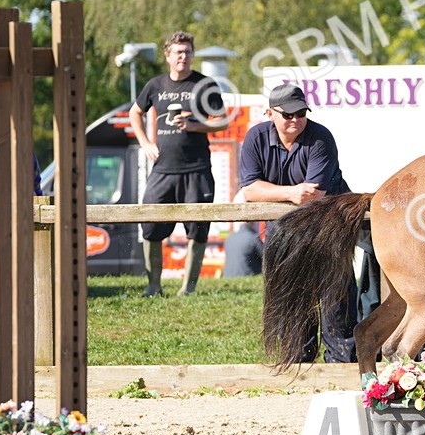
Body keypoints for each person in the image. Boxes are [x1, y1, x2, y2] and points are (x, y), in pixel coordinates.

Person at [238, 84, 357, 362]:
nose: (295, 119)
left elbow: (313, 196)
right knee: (292, 295)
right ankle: (298, 359)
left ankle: (342, 363)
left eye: (301, 112)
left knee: (335, 297)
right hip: (287, 231)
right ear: (270, 113)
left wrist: (277, 192)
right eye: (288, 114)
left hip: (330, 225)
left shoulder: (320, 137)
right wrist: (290, 192)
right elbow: (250, 190)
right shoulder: (255, 137)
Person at [129, 31, 228, 297]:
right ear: (168, 56)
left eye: (187, 52)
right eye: (178, 52)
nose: (183, 56)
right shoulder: (155, 85)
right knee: (150, 224)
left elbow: (223, 121)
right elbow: (134, 112)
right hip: (162, 169)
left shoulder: (205, 85)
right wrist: (146, 142)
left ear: (192, 55)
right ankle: (154, 287)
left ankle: (188, 289)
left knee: (197, 228)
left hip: (197, 168)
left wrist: (194, 125)